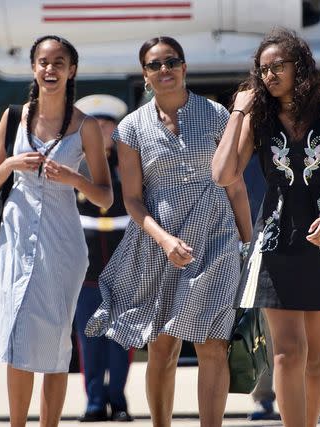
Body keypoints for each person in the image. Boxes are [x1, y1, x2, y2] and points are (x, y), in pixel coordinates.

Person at [86, 36, 253, 427]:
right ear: (145, 75)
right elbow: (132, 200)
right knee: (162, 347)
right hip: (160, 243)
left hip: (217, 238)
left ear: (184, 67)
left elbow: (236, 185)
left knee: (212, 343)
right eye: (155, 65)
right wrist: (163, 239)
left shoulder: (215, 114)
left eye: (172, 62)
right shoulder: (130, 128)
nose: (165, 70)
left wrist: (247, 244)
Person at [212, 27, 320, 427]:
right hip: (275, 244)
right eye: (262, 70)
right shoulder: (259, 121)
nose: (268, 76)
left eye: (277, 66)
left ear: (300, 67)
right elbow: (222, 173)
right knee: (287, 353)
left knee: (317, 358)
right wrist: (238, 112)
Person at [0, 35, 113, 427]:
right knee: (16, 336)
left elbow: (105, 197)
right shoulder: (14, 116)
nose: (51, 69)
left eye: (59, 62)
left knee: (56, 341)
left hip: (62, 244)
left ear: (71, 70)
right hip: (14, 237)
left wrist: (72, 178)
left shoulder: (87, 127)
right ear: (33, 68)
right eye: (44, 62)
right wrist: (13, 162)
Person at [73, 94, 133, 422]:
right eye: (96, 125)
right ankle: (95, 400)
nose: (103, 131)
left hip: (124, 269)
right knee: (89, 339)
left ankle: (118, 398)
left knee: (121, 340)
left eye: (108, 125)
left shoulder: (129, 162)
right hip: (87, 271)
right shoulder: (77, 164)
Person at [241, 154, 278, 421]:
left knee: (268, 329)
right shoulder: (230, 146)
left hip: (273, 246)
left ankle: (265, 397)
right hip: (231, 244)